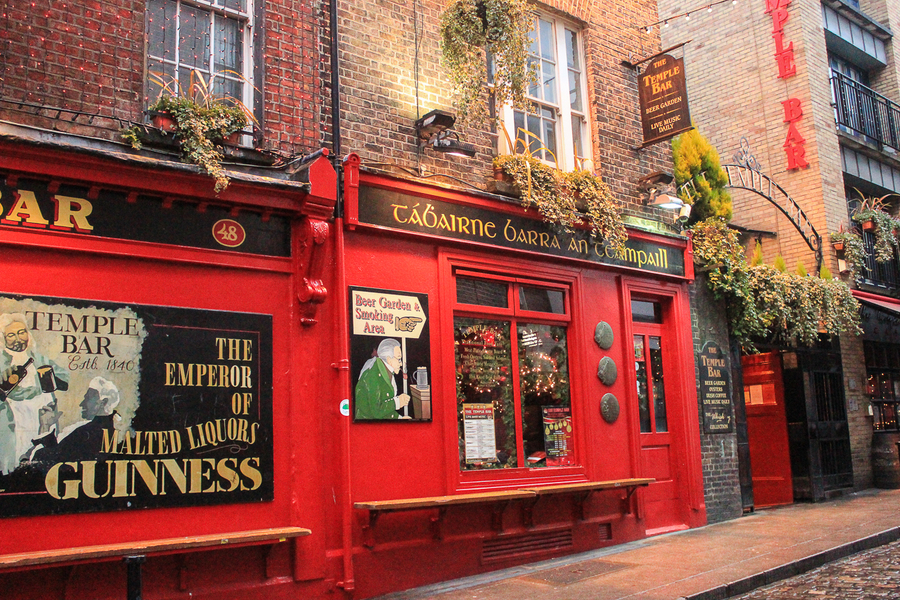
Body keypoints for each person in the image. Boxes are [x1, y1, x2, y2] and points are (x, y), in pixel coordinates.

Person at [0, 313, 69, 474]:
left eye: (21, 332)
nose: (18, 338)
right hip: (16, 420)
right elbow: (9, 393)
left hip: (43, 417)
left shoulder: (38, 358)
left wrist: (51, 380)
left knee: (42, 458)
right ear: (3, 338)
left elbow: (64, 379)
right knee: (17, 460)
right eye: (11, 335)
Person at [33, 377, 119, 463]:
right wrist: (46, 426)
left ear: (103, 402)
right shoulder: (109, 430)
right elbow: (60, 455)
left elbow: (52, 460)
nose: (82, 404)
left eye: (88, 398)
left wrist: (44, 426)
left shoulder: (86, 433)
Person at [354, 338, 410, 420]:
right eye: (398, 359)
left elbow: (386, 409)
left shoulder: (386, 371)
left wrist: (400, 418)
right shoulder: (372, 375)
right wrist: (398, 402)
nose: (401, 363)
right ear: (388, 359)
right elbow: (376, 411)